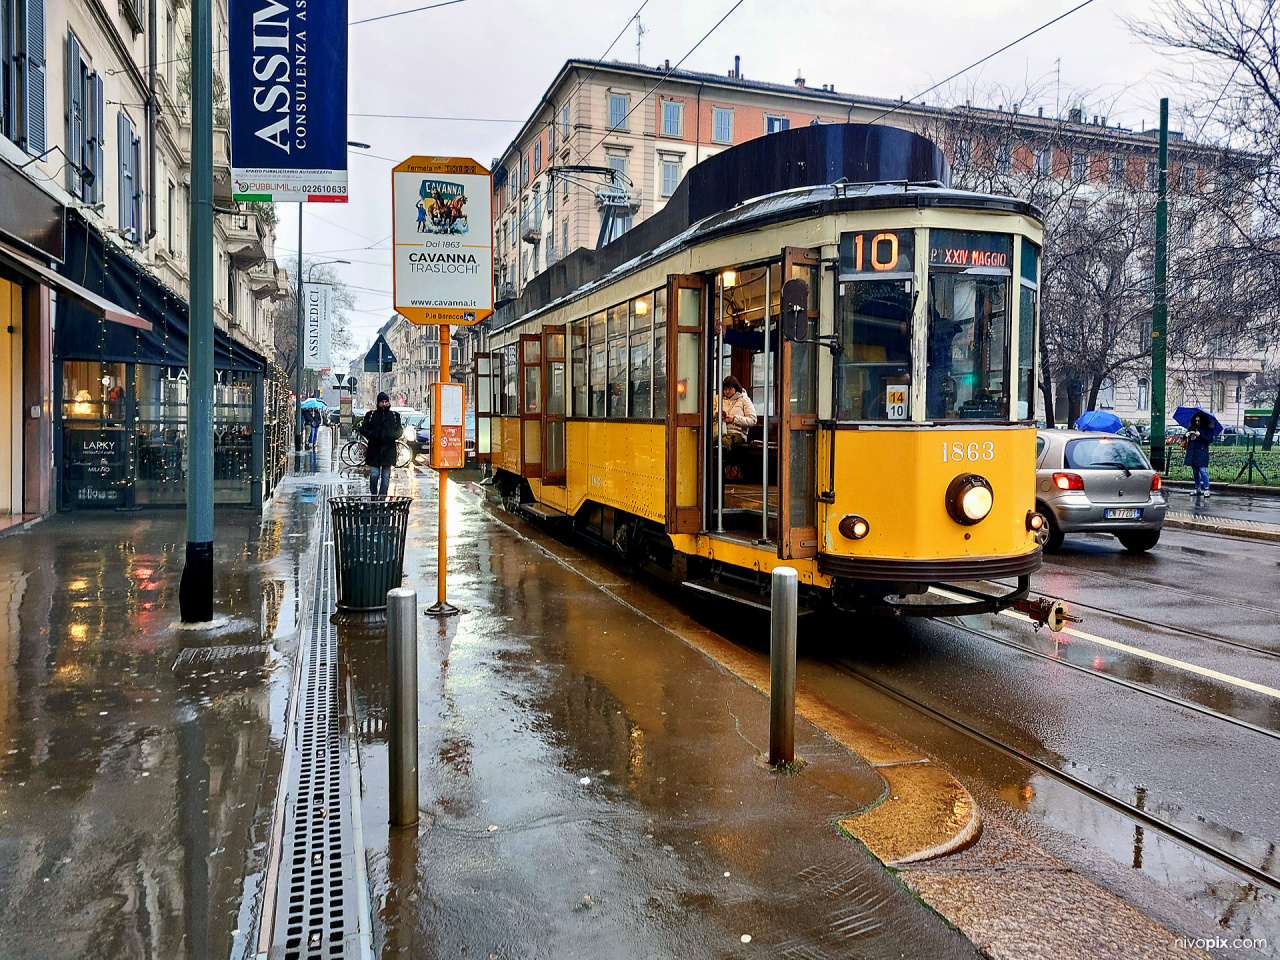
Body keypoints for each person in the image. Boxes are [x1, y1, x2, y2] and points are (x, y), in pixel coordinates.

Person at [359, 392, 402, 496]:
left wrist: (392, 435)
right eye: (382, 402)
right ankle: (373, 495)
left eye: (386, 402)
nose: (384, 404)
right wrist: (372, 435)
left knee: (386, 477)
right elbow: (362, 429)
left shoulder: (394, 416)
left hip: (388, 450)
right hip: (374, 450)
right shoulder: (371, 415)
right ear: (378, 403)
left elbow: (400, 430)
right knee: (374, 475)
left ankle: (382, 498)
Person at [717, 376, 757, 447]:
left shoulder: (744, 399)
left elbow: (753, 420)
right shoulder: (718, 399)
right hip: (718, 431)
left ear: (736, 388)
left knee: (725, 441)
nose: (727, 392)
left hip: (736, 433)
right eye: (725, 389)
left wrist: (734, 419)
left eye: (730, 389)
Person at [1184, 411, 1214, 497]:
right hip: (1193, 452)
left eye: (1199, 420)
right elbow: (1185, 438)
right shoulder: (1192, 428)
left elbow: (1209, 440)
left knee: (1202, 470)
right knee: (1195, 471)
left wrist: (1200, 435)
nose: (1197, 422)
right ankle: (1197, 488)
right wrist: (1187, 435)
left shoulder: (1207, 429)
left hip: (1202, 451)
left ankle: (1207, 488)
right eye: (1196, 420)